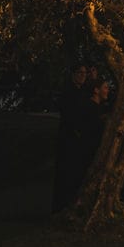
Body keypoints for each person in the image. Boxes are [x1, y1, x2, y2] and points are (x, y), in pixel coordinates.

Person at [52, 62, 92, 212]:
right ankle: (61, 205)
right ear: (73, 75)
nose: (83, 76)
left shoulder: (81, 92)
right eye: (80, 73)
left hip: (77, 138)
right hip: (69, 137)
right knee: (66, 172)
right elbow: (69, 114)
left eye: (84, 73)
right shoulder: (69, 92)